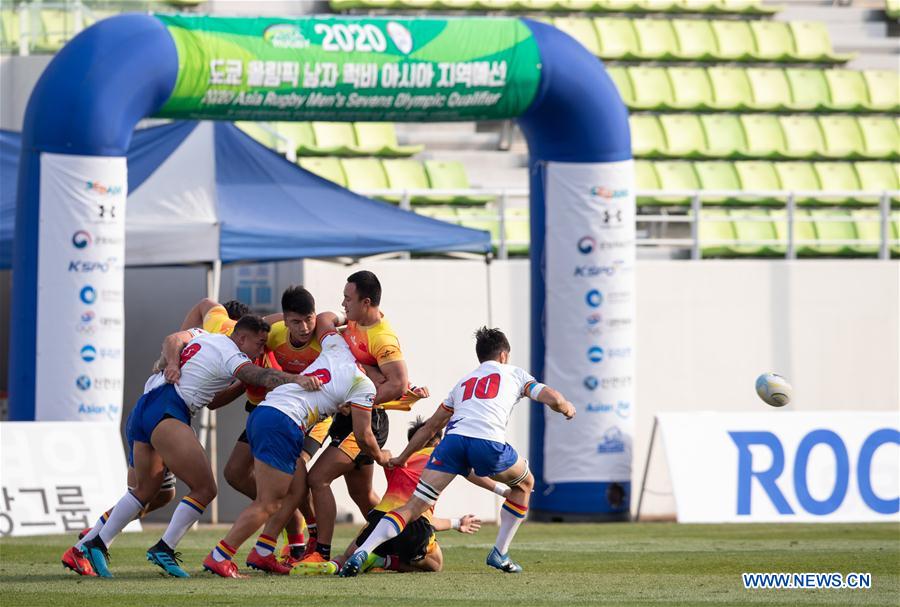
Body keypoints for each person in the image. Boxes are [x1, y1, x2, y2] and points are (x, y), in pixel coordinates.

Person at [70, 316, 321, 579]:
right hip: (168, 409)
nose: (261, 350)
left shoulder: (205, 334)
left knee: (146, 491)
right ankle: (163, 547)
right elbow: (255, 373)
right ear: (242, 338)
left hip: (145, 406)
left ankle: (89, 545)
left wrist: (172, 362)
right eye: (259, 343)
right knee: (205, 488)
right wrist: (295, 379)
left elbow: (173, 339)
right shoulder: (232, 353)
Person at [339, 327, 576, 577]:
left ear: (480, 357)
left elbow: (430, 426)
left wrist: (403, 457)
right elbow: (551, 396)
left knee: (412, 507)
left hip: (451, 443)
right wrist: (565, 407)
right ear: (504, 356)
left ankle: (363, 550)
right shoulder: (514, 373)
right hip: (487, 442)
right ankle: (500, 552)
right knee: (526, 483)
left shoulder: (463, 382)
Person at [202, 313, 391, 579]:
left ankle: (264, 551)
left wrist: (346, 317)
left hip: (265, 413)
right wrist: (382, 457)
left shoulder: (337, 348)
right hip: (284, 422)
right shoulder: (365, 386)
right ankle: (220, 556)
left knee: (296, 489)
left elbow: (324, 318)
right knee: (269, 502)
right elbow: (363, 435)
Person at [302, 271, 428, 565]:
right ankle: (411, 544)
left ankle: (321, 553)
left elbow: (397, 383)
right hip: (349, 416)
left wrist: (358, 400)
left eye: (348, 298)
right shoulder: (355, 321)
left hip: (367, 420)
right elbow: (324, 318)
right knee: (364, 497)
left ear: (366, 301)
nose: (343, 303)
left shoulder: (383, 338)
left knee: (317, 479)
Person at [296, 417, 504, 577]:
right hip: (411, 527)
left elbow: (385, 458)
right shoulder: (440, 457)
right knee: (435, 563)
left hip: (379, 518)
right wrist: (502, 491)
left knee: (348, 556)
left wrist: (385, 455)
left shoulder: (400, 461)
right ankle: (381, 561)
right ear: (438, 441)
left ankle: (331, 565)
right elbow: (426, 515)